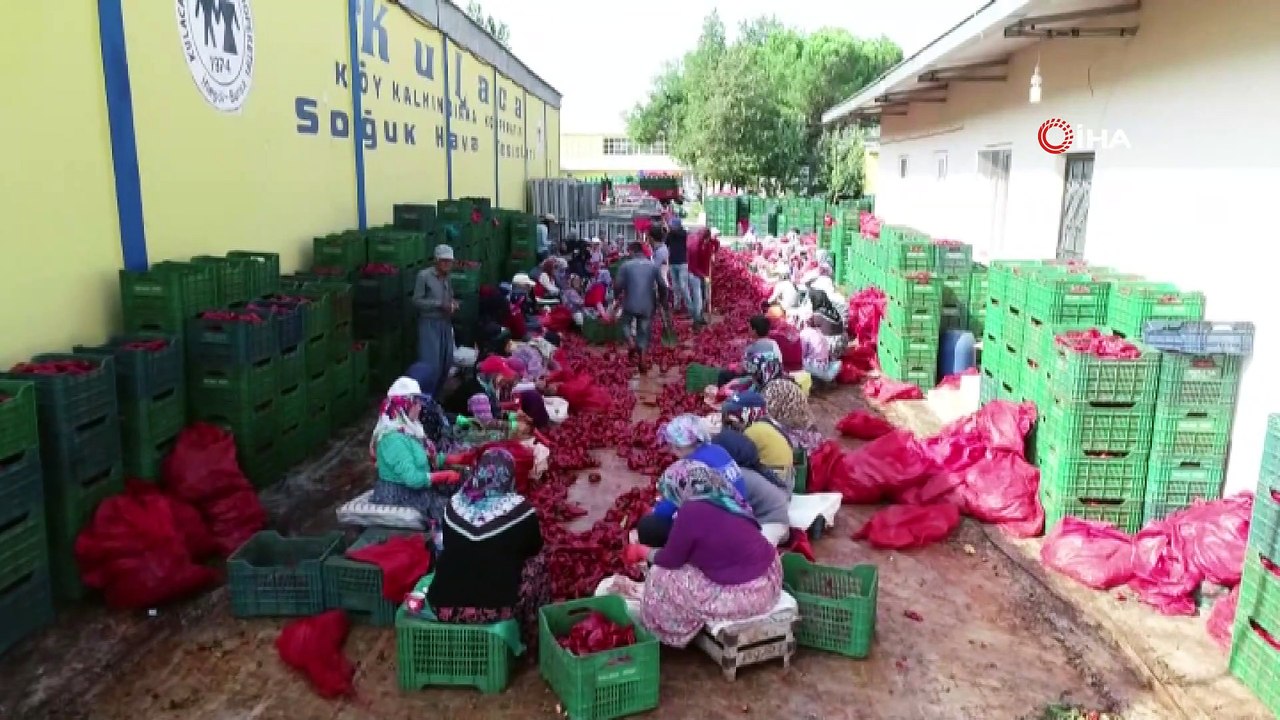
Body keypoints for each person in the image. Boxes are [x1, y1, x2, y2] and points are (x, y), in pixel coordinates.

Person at [621, 460, 783, 648]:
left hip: (748, 595)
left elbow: (670, 560)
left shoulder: (691, 511)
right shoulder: (726, 497)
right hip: (770, 579)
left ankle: (667, 634)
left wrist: (642, 551)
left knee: (661, 575)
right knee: (689, 567)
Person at [428, 448, 549, 643]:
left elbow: (449, 547)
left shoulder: (454, 505)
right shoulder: (520, 509)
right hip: (497, 608)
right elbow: (533, 547)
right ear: (509, 476)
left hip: (442, 607)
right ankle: (529, 631)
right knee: (540, 560)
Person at [369, 378, 463, 549]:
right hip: (398, 493)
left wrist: (451, 459)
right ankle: (442, 545)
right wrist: (443, 475)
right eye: (416, 404)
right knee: (447, 509)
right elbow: (412, 478)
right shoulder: (393, 439)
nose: (420, 408)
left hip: (414, 488)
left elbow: (423, 459)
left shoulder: (410, 430)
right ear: (403, 406)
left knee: (462, 486)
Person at [745, 349, 822, 451]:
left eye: (755, 374)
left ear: (765, 371)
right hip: (808, 435)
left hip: (798, 441)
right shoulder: (785, 380)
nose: (753, 378)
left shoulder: (773, 389)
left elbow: (763, 420)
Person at [613, 240, 669, 372]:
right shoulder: (652, 266)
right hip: (647, 304)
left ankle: (631, 343)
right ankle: (642, 360)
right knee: (644, 331)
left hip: (630, 303)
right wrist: (662, 299)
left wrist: (616, 296)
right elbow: (662, 285)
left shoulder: (626, 266)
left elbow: (618, 285)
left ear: (632, 251)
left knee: (625, 323)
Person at [721, 390, 795, 489]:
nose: (732, 420)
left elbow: (731, 458)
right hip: (784, 478)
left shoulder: (753, 431)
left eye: (735, 413)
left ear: (749, 412)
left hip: (777, 483)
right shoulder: (766, 423)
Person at [413, 245, 458, 398]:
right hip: (429, 324)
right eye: (443, 261)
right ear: (436, 261)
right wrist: (439, 304)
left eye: (449, 261)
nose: (447, 264)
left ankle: (436, 397)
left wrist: (452, 304)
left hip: (445, 323)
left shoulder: (448, 277)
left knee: (447, 361)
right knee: (432, 364)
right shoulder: (424, 276)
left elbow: (449, 296)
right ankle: (425, 398)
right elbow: (417, 301)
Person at [687, 226, 719, 326]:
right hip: (694, 275)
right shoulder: (694, 247)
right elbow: (693, 267)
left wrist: (714, 239)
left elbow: (716, 246)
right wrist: (704, 276)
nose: (706, 241)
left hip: (703, 273)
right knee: (698, 299)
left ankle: (700, 317)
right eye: (705, 240)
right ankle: (696, 321)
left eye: (708, 239)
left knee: (704, 296)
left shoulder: (708, 243)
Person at [665, 217, 695, 321]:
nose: (670, 226)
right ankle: (676, 307)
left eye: (672, 225)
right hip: (673, 263)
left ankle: (690, 309)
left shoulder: (683, 233)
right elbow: (666, 244)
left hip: (683, 263)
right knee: (675, 287)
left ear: (677, 226)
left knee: (683, 286)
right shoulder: (670, 234)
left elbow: (681, 235)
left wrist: (671, 231)